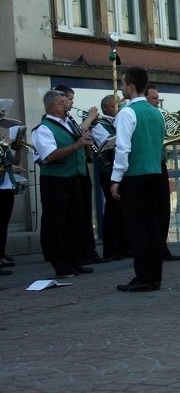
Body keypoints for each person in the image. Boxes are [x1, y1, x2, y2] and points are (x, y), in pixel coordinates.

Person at [110, 66, 167, 292]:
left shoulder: (127, 112)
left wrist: (116, 178)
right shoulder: (157, 112)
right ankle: (155, 277)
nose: (122, 87)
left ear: (131, 87)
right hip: (155, 172)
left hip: (135, 175)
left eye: (123, 84)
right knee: (153, 225)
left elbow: (122, 148)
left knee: (137, 227)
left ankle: (143, 276)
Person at [32, 90, 97, 278]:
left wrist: (86, 145)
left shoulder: (69, 123)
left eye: (65, 102)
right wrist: (76, 145)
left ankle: (75, 261)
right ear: (50, 107)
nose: (66, 105)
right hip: (56, 180)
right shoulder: (43, 128)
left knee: (75, 222)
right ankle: (61, 265)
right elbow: (49, 155)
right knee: (57, 224)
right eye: (61, 103)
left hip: (75, 178)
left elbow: (82, 148)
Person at [52, 84, 106, 265]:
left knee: (83, 213)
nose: (70, 103)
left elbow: (81, 137)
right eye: (68, 100)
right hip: (66, 174)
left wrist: (89, 148)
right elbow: (77, 135)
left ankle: (86, 251)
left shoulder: (68, 120)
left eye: (71, 100)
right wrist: (90, 118)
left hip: (80, 168)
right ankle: (77, 254)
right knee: (73, 216)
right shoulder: (53, 123)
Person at [144, 85, 180, 261]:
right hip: (146, 167)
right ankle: (153, 250)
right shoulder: (139, 115)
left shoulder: (158, 116)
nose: (157, 102)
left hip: (160, 164)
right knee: (151, 211)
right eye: (154, 99)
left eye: (158, 99)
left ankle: (162, 248)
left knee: (164, 210)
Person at [91, 94, 129, 260]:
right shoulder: (99, 125)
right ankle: (111, 249)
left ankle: (124, 246)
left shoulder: (117, 121)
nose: (118, 109)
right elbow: (104, 143)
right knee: (113, 209)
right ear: (106, 108)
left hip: (121, 169)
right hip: (108, 170)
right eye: (115, 106)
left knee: (123, 210)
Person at [1, 124, 25, 275]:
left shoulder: (2, 146)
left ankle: (1, 255)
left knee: (3, 223)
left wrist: (19, 147)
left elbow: (14, 162)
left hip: (7, 186)